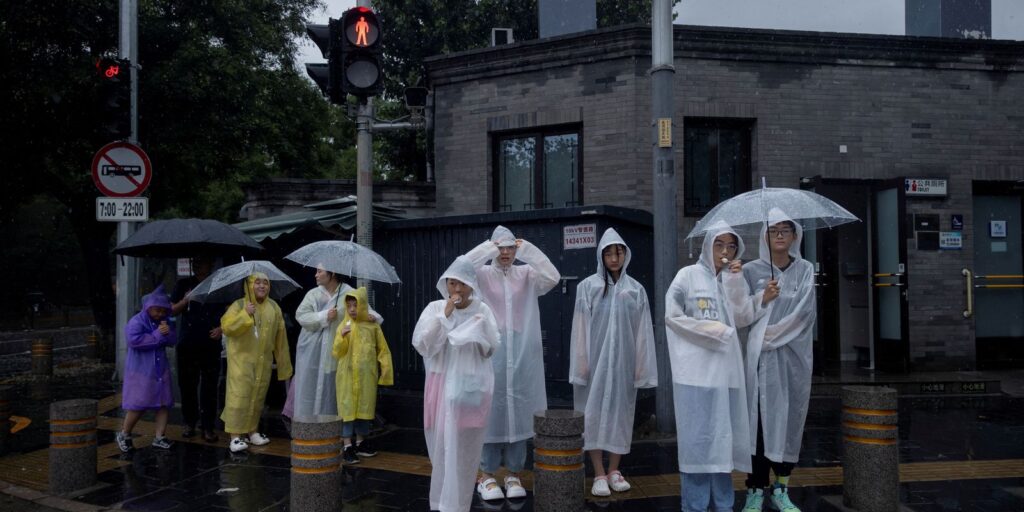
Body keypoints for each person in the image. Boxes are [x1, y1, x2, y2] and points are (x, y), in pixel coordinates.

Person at [465, 225, 559, 501]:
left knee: (519, 408)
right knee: (490, 407)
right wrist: (486, 248)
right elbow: (459, 269)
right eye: (500, 248)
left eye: (509, 248)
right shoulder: (481, 275)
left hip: (520, 352)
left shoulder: (526, 274)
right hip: (491, 350)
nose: (505, 253)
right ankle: (487, 475)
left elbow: (551, 276)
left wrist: (527, 249)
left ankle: (514, 472)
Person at [732, 208, 816, 512]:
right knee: (758, 425)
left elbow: (805, 315)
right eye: (773, 230)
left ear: (795, 235)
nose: (779, 236)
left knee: (789, 419)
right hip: (759, 362)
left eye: (785, 230)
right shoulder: (751, 270)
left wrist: (769, 337)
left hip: (793, 358)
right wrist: (761, 299)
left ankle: (782, 488)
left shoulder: (805, 269)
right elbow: (740, 315)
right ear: (764, 236)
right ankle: (755, 488)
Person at [665, 223, 752, 512]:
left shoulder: (733, 280)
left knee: (721, 445)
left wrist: (738, 285)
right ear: (707, 246)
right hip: (695, 376)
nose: (725, 252)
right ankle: (695, 506)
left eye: (731, 246)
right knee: (697, 445)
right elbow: (673, 316)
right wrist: (714, 331)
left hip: (726, 376)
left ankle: (724, 505)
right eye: (719, 245)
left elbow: (742, 318)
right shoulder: (686, 277)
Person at [569, 228, 658, 496]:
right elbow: (580, 328)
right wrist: (581, 363)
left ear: (625, 254)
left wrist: (641, 366)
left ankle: (614, 471)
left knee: (620, 415)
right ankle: (598, 472)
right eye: (608, 253)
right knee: (592, 415)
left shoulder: (635, 290)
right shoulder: (588, 287)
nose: (614, 257)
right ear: (601, 256)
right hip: (594, 364)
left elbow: (643, 331)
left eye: (618, 252)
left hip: (623, 364)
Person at [413, 256, 500, 512]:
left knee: (464, 447)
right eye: (452, 283)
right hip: (440, 384)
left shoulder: (483, 310)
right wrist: (444, 315)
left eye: (462, 284)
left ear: (472, 284)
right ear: (445, 285)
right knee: (441, 448)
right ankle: (441, 502)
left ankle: (459, 503)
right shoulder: (434, 307)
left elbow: (491, 348)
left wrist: (479, 333)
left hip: (470, 386)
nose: (457, 290)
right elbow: (423, 345)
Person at [284, 267, 382, 424]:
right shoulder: (313, 294)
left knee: (334, 389)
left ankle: (334, 428)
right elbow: (301, 316)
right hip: (312, 351)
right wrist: (324, 316)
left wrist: (370, 317)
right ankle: (309, 425)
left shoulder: (349, 293)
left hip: (336, 349)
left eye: (320, 271)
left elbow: (367, 311)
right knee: (310, 387)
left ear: (333, 273)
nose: (316, 275)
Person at [220, 272, 293, 453]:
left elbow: (280, 338)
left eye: (266, 283)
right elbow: (227, 327)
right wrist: (245, 314)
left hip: (264, 362)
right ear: (249, 285)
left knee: (257, 397)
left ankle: (252, 431)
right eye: (257, 283)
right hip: (241, 362)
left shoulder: (274, 308)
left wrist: (284, 366)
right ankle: (235, 436)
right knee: (239, 397)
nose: (262, 286)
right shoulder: (239, 305)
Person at [333, 286, 393, 464]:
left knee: (364, 411)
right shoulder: (343, 326)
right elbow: (336, 352)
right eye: (349, 305)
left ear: (364, 306)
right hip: (347, 377)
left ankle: (360, 442)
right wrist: (342, 337)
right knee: (347, 411)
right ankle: (347, 446)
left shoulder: (372, 326)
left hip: (366, 377)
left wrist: (386, 372)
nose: (352, 309)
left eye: (356, 305)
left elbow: (383, 350)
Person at [117, 284, 178, 452]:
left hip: (160, 370)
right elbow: (134, 341)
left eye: (163, 311)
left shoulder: (164, 320)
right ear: (148, 308)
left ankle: (160, 437)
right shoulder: (137, 321)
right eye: (156, 310)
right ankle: (125, 433)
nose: (160, 314)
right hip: (142, 371)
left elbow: (172, 340)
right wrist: (159, 334)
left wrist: (167, 333)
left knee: (163, 404)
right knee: (138, 405)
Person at [170, 257, 224, 443]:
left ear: (211, 264)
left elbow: (230, 312)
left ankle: (208, 426)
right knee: (187, 384)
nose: (197, 265)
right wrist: (186, 300)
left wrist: (222, 328)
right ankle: (189, 422)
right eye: (194, 262)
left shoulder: (218, 284)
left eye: (201, 261)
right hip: (187, 342)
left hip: (210, 342)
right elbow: (171, 310)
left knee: (210, 387)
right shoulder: (184, 283)